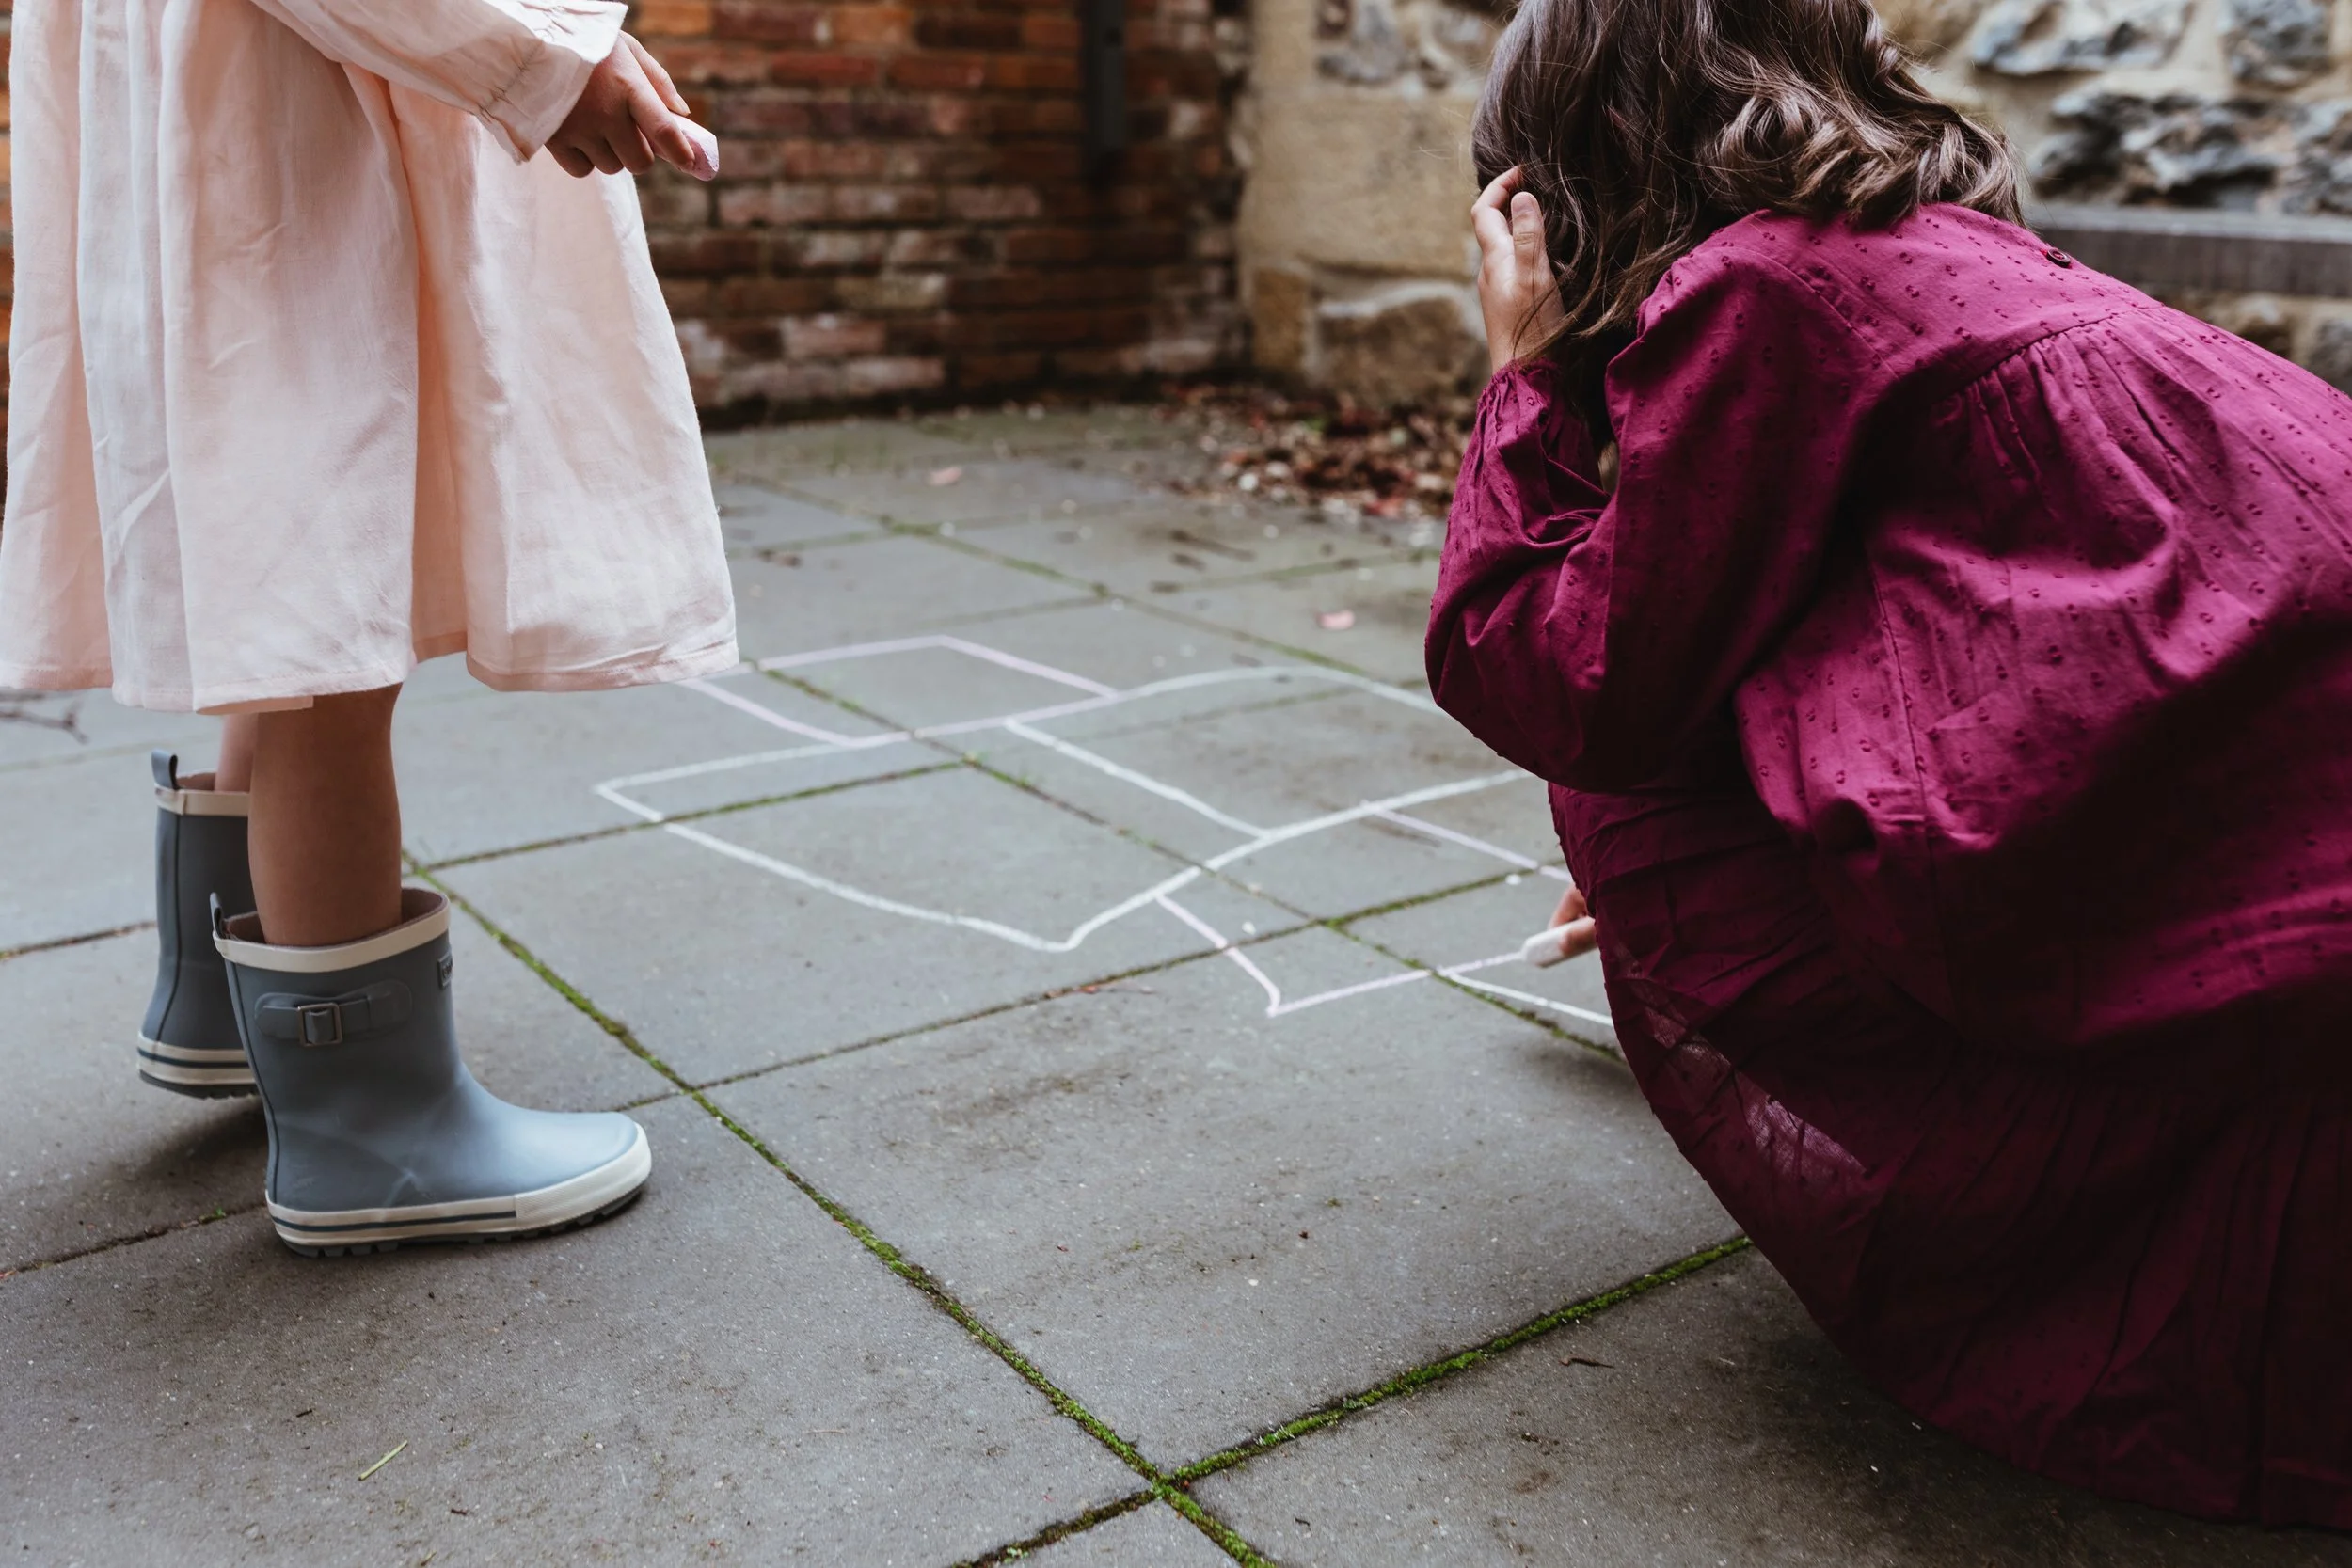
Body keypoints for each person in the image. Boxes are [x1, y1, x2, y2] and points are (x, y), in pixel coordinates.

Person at [1431, 0, 2352, 1528]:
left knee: (1629, 767)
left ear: (1569, 172)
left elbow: (1565, 672)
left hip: (2261, 802)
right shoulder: (1926, 242)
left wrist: (1520, 381)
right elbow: (1861, 610)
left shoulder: (1756, 292)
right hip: (2278, 770)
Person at [0, 0, 738, 1254]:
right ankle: (372, 1128)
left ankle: (230, 1007)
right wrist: (540, 59)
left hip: (226, 96)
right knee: (332, 600)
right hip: (297, 112)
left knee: (288, 580)